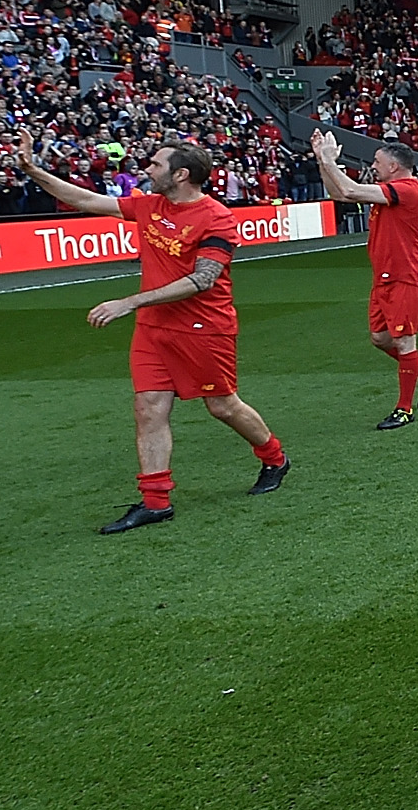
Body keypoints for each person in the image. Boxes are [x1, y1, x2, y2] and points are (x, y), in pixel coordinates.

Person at [16, 134, 292, 532]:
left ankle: (274, 457)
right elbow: (87, 201)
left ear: (181, 174)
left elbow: (203, 280)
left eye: (156, 164)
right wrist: (33, 170)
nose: (147, 169)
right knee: (148, 408)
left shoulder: (216, 218)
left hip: (203, 328)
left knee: (222, 407)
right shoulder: (150, 205)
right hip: (154, 329)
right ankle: (156, 501)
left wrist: (130, 301)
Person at [309, 132, 418, 429]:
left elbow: (349, 190)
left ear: (394, 167)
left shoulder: (407, 190)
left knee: (403, 340)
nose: (373, 166)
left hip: (407, 276)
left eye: (377, 162)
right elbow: (339, 194)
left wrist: (329, 159)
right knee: (380, 339)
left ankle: (403, 409)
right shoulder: (390, 190)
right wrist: (322, 161)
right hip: (386, 277)